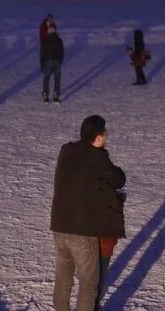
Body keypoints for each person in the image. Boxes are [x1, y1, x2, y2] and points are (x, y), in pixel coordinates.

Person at [50, 115, 126, 311]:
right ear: (98, 137)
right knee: (88, 283)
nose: (106, 137)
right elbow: (118, 179)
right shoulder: (98, 157)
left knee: (63, 278)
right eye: (105, 134)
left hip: (60, 226)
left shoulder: (66, 150)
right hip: (82, 231)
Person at [41, 25, 64, 104]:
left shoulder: (45, 41)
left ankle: (45, 94)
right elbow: (62, 52)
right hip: (57, 61)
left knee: (46, 79)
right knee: (57, 79)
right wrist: (60, 60)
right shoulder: (59, 40)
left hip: (48, 61)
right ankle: (56, 95)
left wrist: (42, 63)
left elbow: (42, 53)